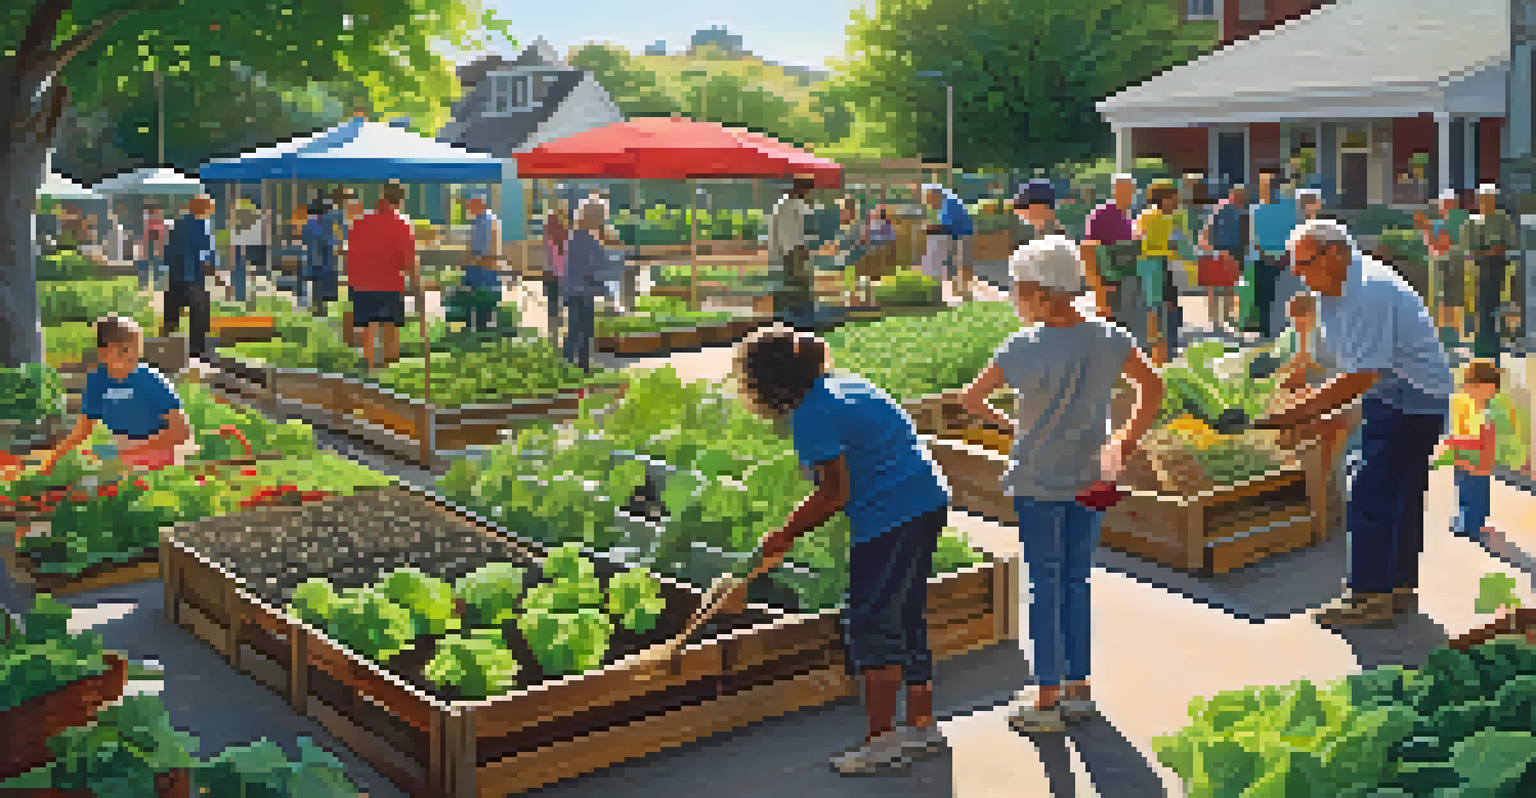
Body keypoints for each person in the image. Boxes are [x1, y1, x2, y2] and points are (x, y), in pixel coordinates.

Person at [956, 235, 1163, 733]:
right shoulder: (1110, 336)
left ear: (1044, 293)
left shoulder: (1022, 348)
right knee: (1077, 581)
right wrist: (1124, 441)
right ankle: (1079, 689)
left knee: (1043, 584)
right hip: (1092, 477)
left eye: (1020, 291)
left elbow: (971, 399)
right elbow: (1151, 385)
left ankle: (1046, 698)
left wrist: (1010, 426)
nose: (1016, 299)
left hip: (1037, 480)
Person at [724, 324, 952, 773]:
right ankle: (922, 725)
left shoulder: (811, 412)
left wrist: (785, 534)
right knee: (905, 614)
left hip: (893, 514)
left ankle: (881, 739)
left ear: (772, 383)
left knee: (871, 622)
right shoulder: (843, 385)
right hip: (926, 500)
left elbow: (833, 493)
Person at [1258, 219, 1453, 627]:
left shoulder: (1369, 290)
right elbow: (1353, 369)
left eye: (1304, 264)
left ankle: (1369, 597)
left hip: (1409, 397)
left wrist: (1298, 412)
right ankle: (1397, 587)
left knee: (1368, 492)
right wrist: (1325, 407)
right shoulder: (1333, 291)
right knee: (1399, 492)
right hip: (1404, 394)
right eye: (1293, 267)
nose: (1299, 275)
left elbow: (1362, 375)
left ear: (1335, 253)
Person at [38, 315, 196, 475]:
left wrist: (130, 451)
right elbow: (83, 429)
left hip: (161, 447)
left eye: (137, 350)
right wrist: (53, 459)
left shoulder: (152, 379)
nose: (132, 356)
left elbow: (180, 432)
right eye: (124, 350)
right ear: (103, 352)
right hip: (123, 447)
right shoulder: (96, 381)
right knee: (86, 473)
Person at [347, 180, 418, 371]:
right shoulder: (402, 223)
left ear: (382, 196)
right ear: (401, 200)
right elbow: (408, 260)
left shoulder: (360, 221)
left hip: (361, 283)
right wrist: (416, 285)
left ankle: (369, 371)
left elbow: (350, 253)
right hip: (390, 283)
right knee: (390, 327)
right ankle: (390, 373)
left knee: (368, 328)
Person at [1440, 360, 1502, 544]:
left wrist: (1453, 441)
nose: (1467, 389)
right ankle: (1475, 523)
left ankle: (1468, 527)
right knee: (1477, 492)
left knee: (1468, 494)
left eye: (1472, 385)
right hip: (1474, 460)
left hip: (1471, 460)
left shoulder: (1478, 410)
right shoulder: (1481, 408)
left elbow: (1476, 438)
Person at [1462, 184, 1519, 359]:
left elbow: (1508, 244)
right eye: (1483, 199)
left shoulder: (1502, 219)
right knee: (1480, 306)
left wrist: (1491, 250)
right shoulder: (1472, 221)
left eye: (1490, 199)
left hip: (1498, 267)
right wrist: (1489, 250)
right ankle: (1482, 344)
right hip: (1479, 269)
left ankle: (1495, 343)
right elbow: (1470, 249)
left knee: (1495, 304)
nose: (1486, 202)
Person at [162, 194, 218, 360]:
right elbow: (206, 255)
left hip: (175, 275)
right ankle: (197, 353)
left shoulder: (178, 223)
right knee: (199, 315)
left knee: (171, 315)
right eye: (210, 207)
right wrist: (217, 276)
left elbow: (168, 250)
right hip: (194, 276)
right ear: (204, 209)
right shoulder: (202, 226)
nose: (211, 211)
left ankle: (165, 348)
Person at [1247, 169, 1301, 340]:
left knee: (1276, 300)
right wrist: (1275, 256)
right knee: (1271, 300)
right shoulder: (1258, 209)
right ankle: (1271, 335)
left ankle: (1276, 335)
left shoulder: (1288, 208)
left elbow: (1297, 232)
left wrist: (1277, 256)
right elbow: (1254, 237)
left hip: (1275, 260)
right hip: (1273, 260)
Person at [1133, 181, 1182, 364]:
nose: (1176, 203)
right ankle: (1159, 350)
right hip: (1153, 265)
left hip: (1160, 264)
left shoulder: (1161, 217)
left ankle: (1165, 347)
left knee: (1167, 306)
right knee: (1157, 308)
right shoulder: (1152, 216)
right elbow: (1141, 242)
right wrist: (1168, 248)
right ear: (1163, 199)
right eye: (1174, 199)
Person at [1083, 174, 1141, 332]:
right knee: (1110, 327)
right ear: (1114, 190)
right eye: (1124, 189)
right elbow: (1089, 248)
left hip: (1127, 280)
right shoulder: (1102, 213)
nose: (1129, 194)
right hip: (1109, 281)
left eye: (1131, 190)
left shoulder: (1129, 218)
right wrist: (1098, 285)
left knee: (1127, 326)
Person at [562, 201, 609, 372]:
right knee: (578, 332)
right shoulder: (582, 237)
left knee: (581, 331)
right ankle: (572, 367)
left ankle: (580, 368)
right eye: (601, 217)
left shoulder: (581, 236)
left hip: (581, 290)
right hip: (581, 290)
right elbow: (589, 265)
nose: (603, 220)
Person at [1200, 184, 1248, 335]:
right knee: (1216, 289)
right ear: (1232, 194)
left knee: (1228, 289)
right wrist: (1210, 249)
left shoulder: (1242, 211)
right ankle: (1216, 321)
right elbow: (1209, 229)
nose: (1241, 197)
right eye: (1238, 194)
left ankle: (1224, 320)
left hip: (1232, 254)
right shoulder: (1222, 208)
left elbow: (1244, 236)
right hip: (1218, 253)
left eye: (1242, 195)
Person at [768, 177, 815, 327]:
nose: (808, 194)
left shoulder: (783, 204)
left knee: (789, 286)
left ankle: (786, 319)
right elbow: (796, 234)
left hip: (785, 251)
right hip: (794, 251)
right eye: (807, 190)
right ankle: (802, 321)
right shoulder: (793, 206)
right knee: (800, 287)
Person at [1420, 189, 1464, 351]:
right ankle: (1443, 335)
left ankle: (1452, 335)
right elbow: (1432, 245)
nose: (1447, 207)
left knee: (1453, 301)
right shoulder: (1435, 224)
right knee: (1441, 300)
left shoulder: (1459, 222)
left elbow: (1453, 243)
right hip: (1440, 265)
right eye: (1445, 204)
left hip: (1454, 264)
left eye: (1450, 204)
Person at [922, 184, 975, 301]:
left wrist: (929, 228)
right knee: (952, 263)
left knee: (963, 263)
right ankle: (957, 290)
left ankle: (964, 291)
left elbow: (946, 225)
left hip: (963, 233)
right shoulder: (944, 203)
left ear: (935, 195)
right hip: (953, 235)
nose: (929, 203)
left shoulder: (948, 203)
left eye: (929, 199)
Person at [463, 195, 504, 332]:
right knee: (474, 299)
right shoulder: (478, 221)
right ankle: (473, 329)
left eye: (470, 204)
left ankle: (483, 330)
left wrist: (475, 261)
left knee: (484, 301)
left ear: (480, 204)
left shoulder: (488, 221)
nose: (468, 207)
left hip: (484, 268)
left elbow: (489, 249)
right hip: (477, 267)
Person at [544, 206, 569, 351]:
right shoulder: (548, 240)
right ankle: (553, 339)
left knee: (565, 308)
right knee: (553, 309)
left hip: (565, 279)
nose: (548, 225)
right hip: (552, 278)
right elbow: (545, 260)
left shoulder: (567, 238)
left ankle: (564, 338)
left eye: (552, 222)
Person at [140, 202, 169, 291]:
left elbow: (162, 235)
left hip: (156, 245)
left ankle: (157, 284)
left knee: (157, 264)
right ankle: (144, 284)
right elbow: (146, 236)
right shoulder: (148, 222)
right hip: (150, 245)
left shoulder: (159, 222)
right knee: (147, 264)